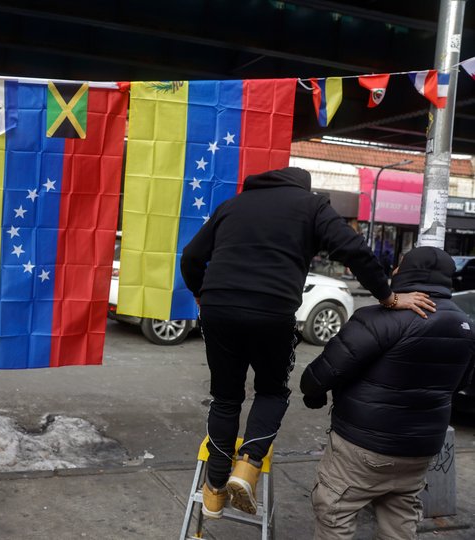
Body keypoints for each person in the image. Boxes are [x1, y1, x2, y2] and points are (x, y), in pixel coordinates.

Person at [179, 167, 435, 518]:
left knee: (226, 397)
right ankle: (248, 466)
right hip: (272, 311)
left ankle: (214, 489)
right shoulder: (311, 206)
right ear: (303, 186)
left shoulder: (232, 206)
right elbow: (353, 249)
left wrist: (200, 293)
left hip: (219, 308)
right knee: (271, 391)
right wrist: (388, 297)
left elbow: (192, 256)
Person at [300, 247, 475, 539]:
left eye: (399, 266)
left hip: (362, 446)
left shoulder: (377, 318)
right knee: (400, 521)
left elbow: (320, 374)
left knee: (336, 515)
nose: (393, 270)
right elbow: (457, 386)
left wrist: (314, 396)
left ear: (407, 273)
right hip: (421, 449)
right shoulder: (466, 327)